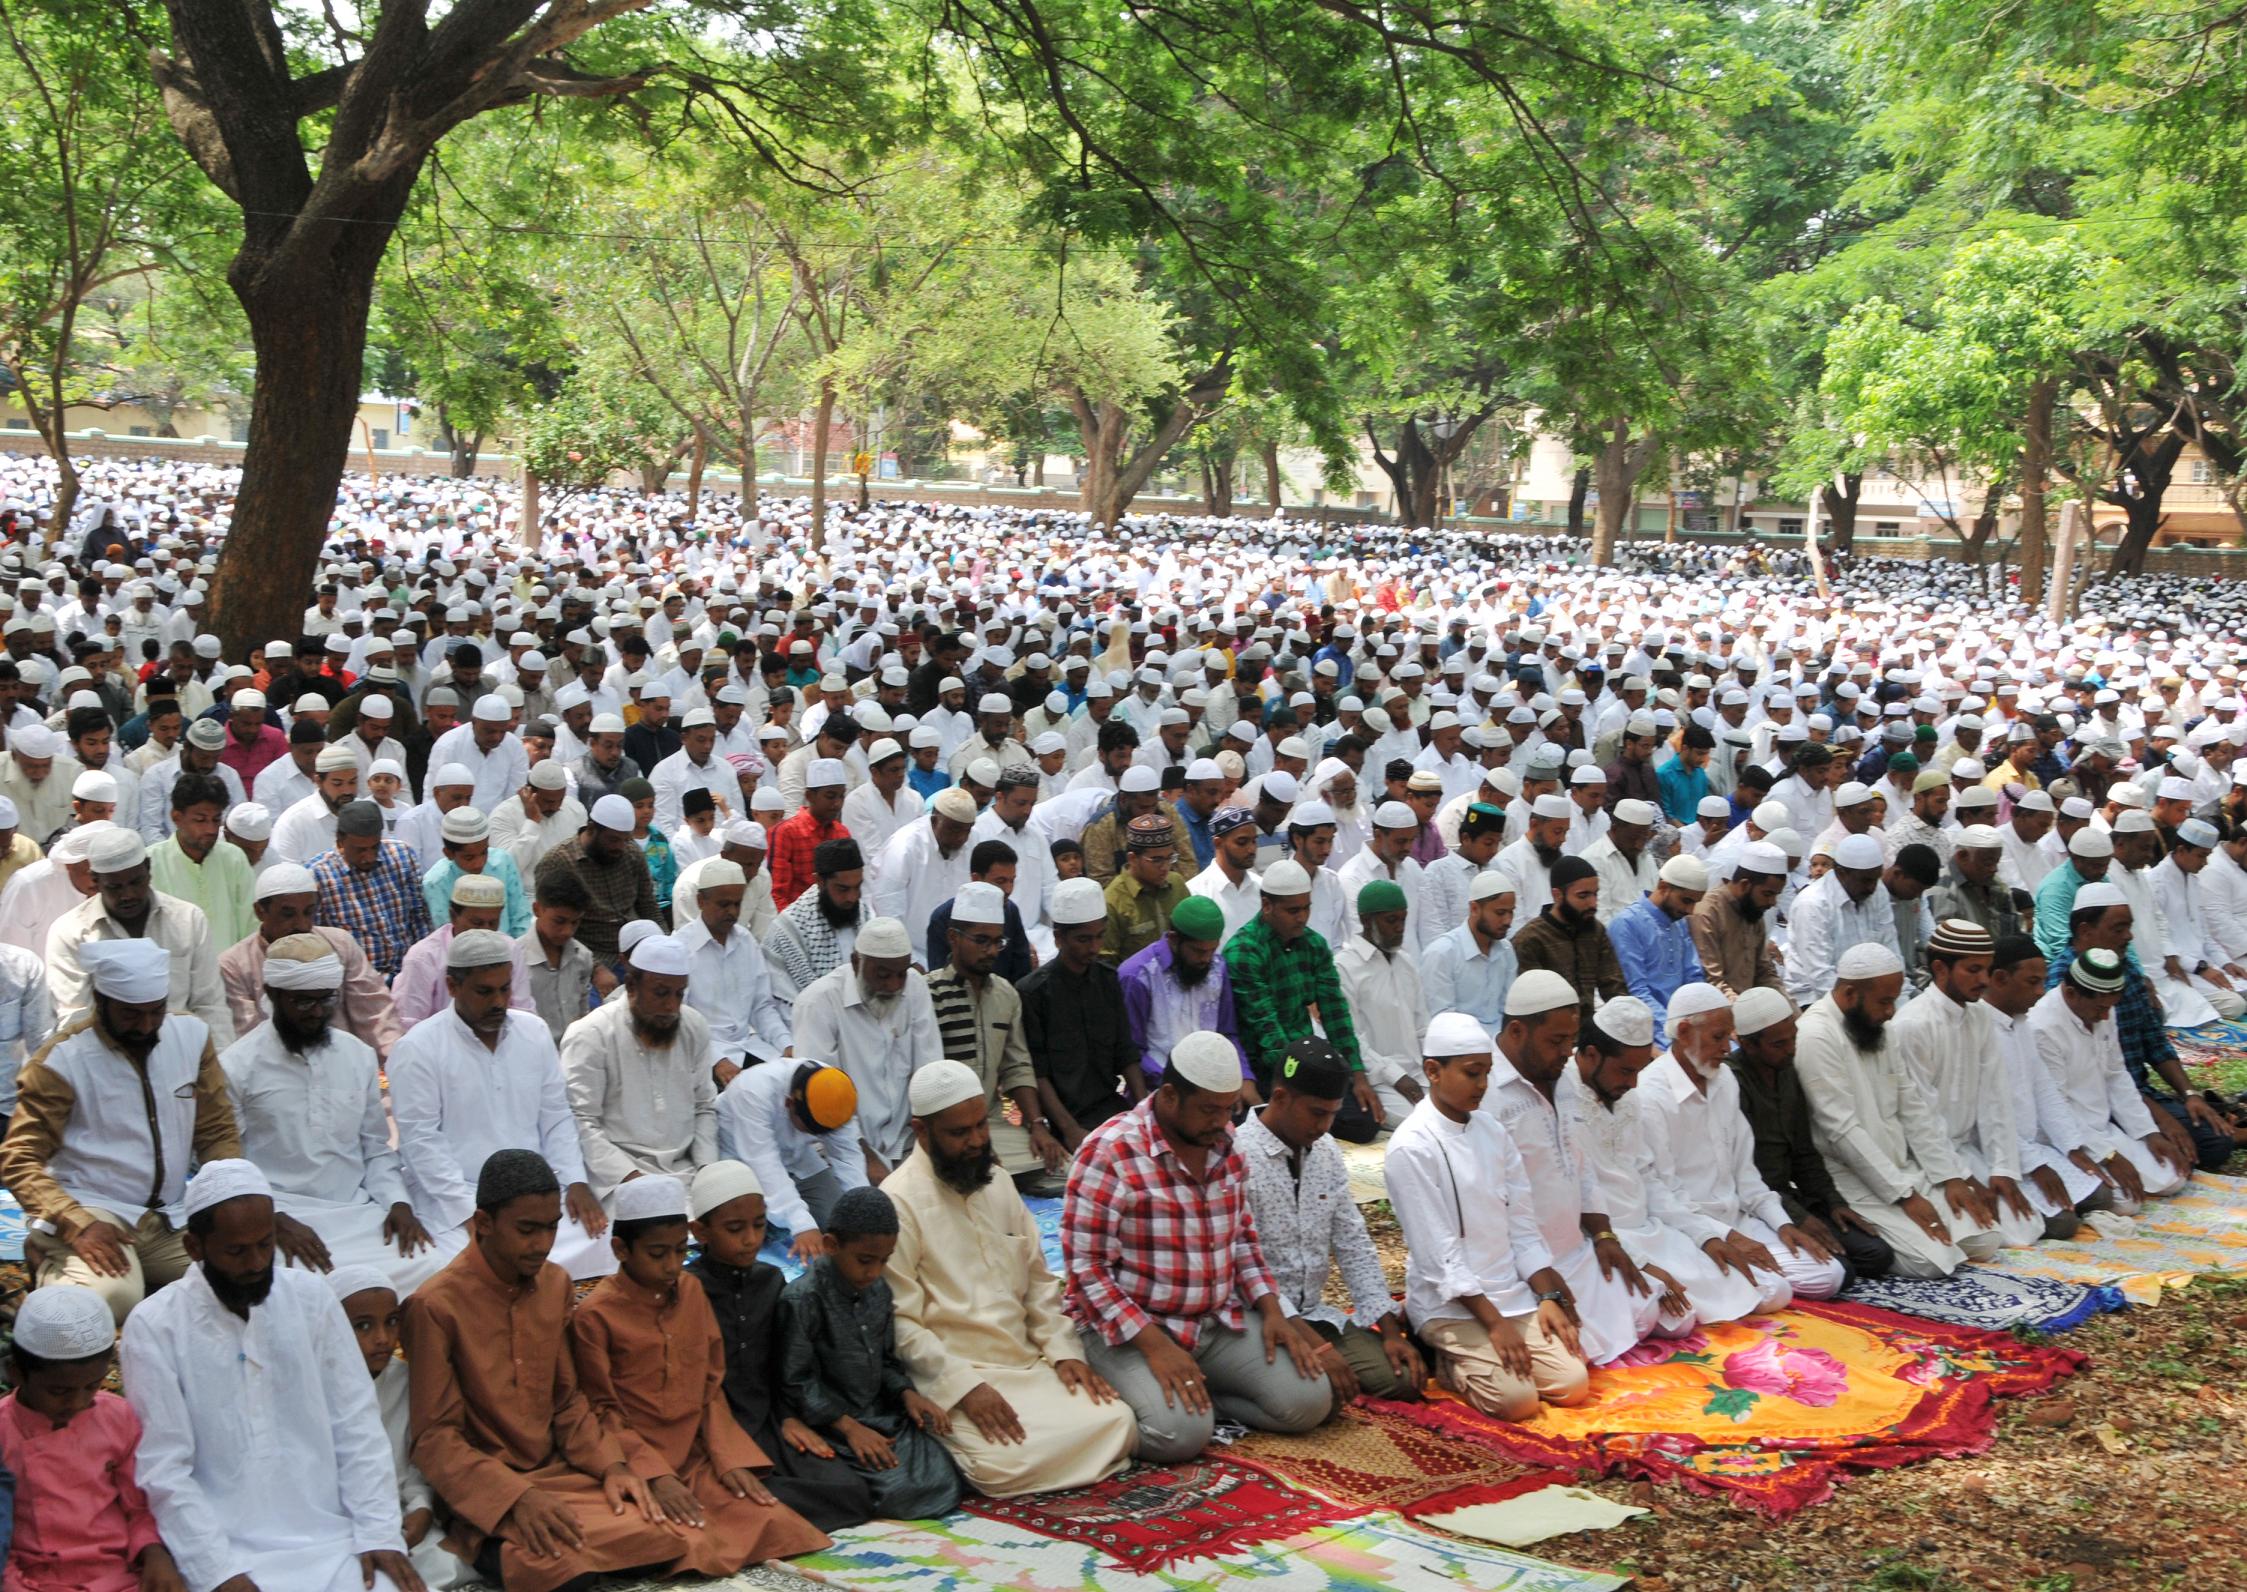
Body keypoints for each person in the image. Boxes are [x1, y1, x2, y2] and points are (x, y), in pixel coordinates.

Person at [118, 1160, 421, 1592]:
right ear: (194, 1246)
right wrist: (216, 1570)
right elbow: (164, 1470)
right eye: (237, 1251)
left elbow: (356, 1426)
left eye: (266, 1244)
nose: (257, 1263)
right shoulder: (154, 1326)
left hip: (332, 1539)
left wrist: (378, 1532)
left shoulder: (312, 1299)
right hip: (221, 1549)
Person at [400, 1150, 681, 1592]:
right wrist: (514, 1500)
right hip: (487, 1487)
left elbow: (567, 1400)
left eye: (551, 1227)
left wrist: (611, 1467)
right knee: (558, 1567)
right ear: (483, 1223)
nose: (542, 1244)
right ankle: (497, 1543)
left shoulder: (555, 1285)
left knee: (661, 1536)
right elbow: (434, 1438)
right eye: (527, 1230)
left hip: (557, 1475)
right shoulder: (434, 1306)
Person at [1060, 1029, 1337, 1462]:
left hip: (1212, 1324)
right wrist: (1156, 1347)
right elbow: (1086, 1271)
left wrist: (1271, 1311)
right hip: (1129, 1331)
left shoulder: (1226, 1146)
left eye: (1229, 1109)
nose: (1221, 1121)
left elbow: (1242, 1239)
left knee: (1310, 1399)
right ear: (1169, 1096)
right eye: (1210, 1109)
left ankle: (1204, 1401)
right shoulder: (1109, 1152)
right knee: (1178, 1437)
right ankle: (1166, 1405)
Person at [885, 1060, 1138, 1496]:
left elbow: (1040, 1283)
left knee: (1119, 1421)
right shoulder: (896, 1203)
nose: (977, 1141)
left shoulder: (997, 1182)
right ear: (922, 1132)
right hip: (962, 1374)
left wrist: (1064, 1353)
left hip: (1026, 1363)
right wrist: (965, 1388)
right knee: (1000, 1463)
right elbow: (902, 1324)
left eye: (981, 1125)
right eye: (959, 1133)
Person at [566, 1175, 832, 1571]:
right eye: (658, 1254)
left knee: (774, 1521)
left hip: (696, 1454)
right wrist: (655, 1474)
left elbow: (710, 1386)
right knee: (675, 1537)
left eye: (678, 1251)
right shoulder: (596, 1315)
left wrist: (728, 1459)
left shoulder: (691, 1291)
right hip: (635, 1454)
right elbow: (601, 1409)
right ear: (621, 1249)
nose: (673, 1266)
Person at [3, 937, 240, 1323]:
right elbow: (20, 1159)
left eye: (156, 1011)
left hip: (172, 1214)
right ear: (101, 1001)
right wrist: (75, 1224)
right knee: (109, 1298)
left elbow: (216, 1132)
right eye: (131, 1014)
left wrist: (230, 1199)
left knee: (243, 1277)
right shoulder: (62, 1060)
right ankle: (51, 1254)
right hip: (94, 1209)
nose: (145, 1026)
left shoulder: (192, 1037)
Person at [1385, 1009, 1589, 1418]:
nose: (1482, 1085)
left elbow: (1522, 1225)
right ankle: (1447, 1363)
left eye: (1487, 1073)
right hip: (1451, 1304)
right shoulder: (1412, 1147)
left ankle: (1487, 1354)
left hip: (1508, 1293)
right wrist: (1495, 1325)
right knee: (1517, 1400)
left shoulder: (1493, 1131)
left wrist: (1545, 1293)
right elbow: (1439, 1256)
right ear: (1433, 1071)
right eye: (1472, 1073)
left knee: (1573, 1384)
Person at [219, 932, 444, 1294]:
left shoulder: (357, 1055)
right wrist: (273, 1221)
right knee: (285, 1283)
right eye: (303, 1003)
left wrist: (399, 1204)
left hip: (355, 1211)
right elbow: (231, 1168)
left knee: (432, 1265)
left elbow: (375, 1149)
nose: (317, 1013)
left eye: (326, 1001)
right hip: (281, 1215)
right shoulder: (237, 1066)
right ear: (274, 996)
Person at [387, 929, 615, 1281]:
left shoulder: (533, 1032)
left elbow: (555, 1116)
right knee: (448, 1268)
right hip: (461, 1196)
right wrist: (469, 1216)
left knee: (600, 1240)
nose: (498, 1002)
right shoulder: (417, 1049)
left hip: (534, 1192)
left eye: (505, 989)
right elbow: (421, 1143)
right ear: (452, 986)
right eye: (484, 991)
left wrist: (575, 1181)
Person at [686, 1160, 878, 1531]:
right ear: (701, 1231)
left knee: (852, 1492)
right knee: (727, 1486)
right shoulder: (688, 1290)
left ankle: (753, 1509)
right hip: (711, 1431)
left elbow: (781, 1363)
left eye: (759, 1224)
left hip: (767, 1422)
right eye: (735, 1228)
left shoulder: (770, 1280)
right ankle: (746, 1507)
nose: (751, 1239)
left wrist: (789, 1416)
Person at [1792, 943, 2004, 1278]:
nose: (1892, 1012)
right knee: (1933, 1263)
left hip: (1901, 1167)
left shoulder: (1879, 1028)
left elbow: (1912, 1108)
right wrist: (1905, 1196)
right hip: (1852, 1180)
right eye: (1885, 1002)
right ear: (1850, 993)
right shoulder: (1815, 1035)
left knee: (1986, 1238)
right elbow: (1842, 1131)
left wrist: (1949, 1176)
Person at [1234, 1038, 1427, 1399]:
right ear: (1279, 1098)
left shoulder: (1325, 1152)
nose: (1326, 1125)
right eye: (1317, 1113)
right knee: (1313, 1392)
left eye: (1333, 1114)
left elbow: (1353, 1243)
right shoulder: (1238, 1156)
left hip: (1314, 1314)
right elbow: (1243, 1270)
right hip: (1261, 1317)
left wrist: (1388, 1332)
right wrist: (1317, 1349)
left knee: (1400, 1378)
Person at [1485, 970, 1661, 1363]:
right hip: (1522, 1265)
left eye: (1571, 1040)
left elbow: (1578, 1164)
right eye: (1556, 1041)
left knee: (1650, 1310)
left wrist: (1603, 1236)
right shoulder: (1488, 1092)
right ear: (1517, 1032)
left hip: (1574, 1251)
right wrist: (1537, 1273)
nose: (1568, 1051)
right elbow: (1492, 1204)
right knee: (1574, 1355)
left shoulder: (1561, 1079)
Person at [1637, 985, 1851, 1301]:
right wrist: (1724, 1236)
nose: (1727, 1048)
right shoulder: (1650, 1095)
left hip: (1740, 1220)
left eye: (1729, 1037)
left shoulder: (1724, 1080)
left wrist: (1781, 1223)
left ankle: (1739, 1284)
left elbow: (1746, 1175)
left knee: (1829, 1275)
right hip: (1691, 1232)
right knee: (1772, 1290)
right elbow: (1664, 1197)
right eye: (1718, 1037)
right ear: (1684, 1032)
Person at [778, 1186, 964, 1519]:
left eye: (883, 1261)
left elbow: (886, 1361)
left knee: (946, 1472)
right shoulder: (803, 1299)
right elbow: (797, 1382)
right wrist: (848, 1427)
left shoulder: (878, 1290)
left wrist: (907, 1393)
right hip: (830, 1424)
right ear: (832, 1246)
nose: (874, 1272)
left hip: (879, 1415)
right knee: (892, 1490)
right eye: (865, 1260)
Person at [0, 1283, 178, 1592]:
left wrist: (154, 1554)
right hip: (33, 1581)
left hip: (120, 1575)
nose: (78, 1403)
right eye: (59, 1392)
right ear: (16, 1373)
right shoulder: (4, 1430)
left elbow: (138, 1507)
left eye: (91, 1387)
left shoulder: (118, 1418)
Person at [1889, 919, 2053, 1246]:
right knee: (1983, 1241)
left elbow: (1995, 1098)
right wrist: (1958, 1178)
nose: (1984, 980)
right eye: (1973, 970)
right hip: (1923, 1158)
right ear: (1941, 969)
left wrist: (2003, 1169)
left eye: (1987, 970)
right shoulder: (1912, 1024)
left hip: (1964, 1148)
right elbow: (1918, 1118)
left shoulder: (1979, 1015)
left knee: (2028, 1229)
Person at [326, 1264, 475, 1592]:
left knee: (450, 1562)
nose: (382, 1339)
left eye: (391, 1322)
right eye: (362, 1326)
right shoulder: (314, 1390)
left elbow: (415, 1462)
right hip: (336, 1526)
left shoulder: (405, 1379)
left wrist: (421, 1507)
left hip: (399, 1516)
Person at [1225, 858, 1383, 1140]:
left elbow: (1336, 1015)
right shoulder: (1244, 950)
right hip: (1264, 1066)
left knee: (1365, 1120)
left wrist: (1356, 1074)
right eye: (1293, 910)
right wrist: (1306, 1087)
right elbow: (1266, 1028)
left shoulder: (1314, 945)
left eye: (1306, 908)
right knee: (1250, 1123)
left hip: (1307, 1056)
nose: (1302, 917)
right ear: (1267, 906)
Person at [2027, 947, 2195, 1212]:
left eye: (2110, 1008)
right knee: (2126, 1202)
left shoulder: (2103, 1009)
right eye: (2101, 1008)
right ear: (2071, 994)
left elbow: (2117, 1075)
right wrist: (2108, 1155)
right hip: (2063, 1137)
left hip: (2101, 1126)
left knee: (2173, 1176)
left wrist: (2148, 1132)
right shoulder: (2042, 1027)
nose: (2106, 1016)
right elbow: (2055, 1109)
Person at [561, 932, 720, 1203]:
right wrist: (633, 1179)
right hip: (617, 1177)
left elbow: (704, 1106)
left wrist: (707, 1170)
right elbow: (580, 1120)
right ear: (632, 985)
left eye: (678, 994)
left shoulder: (693, 1026)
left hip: (687, 1171)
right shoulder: (591, 1034)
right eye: (660, 993)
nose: (671, 1006)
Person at [1981, 935, 2121, 1232]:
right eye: (2032, 982)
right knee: (2062, 1224)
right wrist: (2034, 1164)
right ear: (2000, 979)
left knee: (2103, 1196)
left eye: (2042, 981)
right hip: (1992, 1154)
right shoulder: (1980, 1028)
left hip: (2030, 1147)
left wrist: (2072, 1148)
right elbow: (1988, 1118)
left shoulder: (2020, 1023)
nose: (2040, 991)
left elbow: (2044, 1089)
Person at [925, 881, 1066, 1176]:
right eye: (981, 941)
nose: (991, 951)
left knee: (1061, 1165)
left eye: (997, 942)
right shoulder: (928, 992)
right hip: (943, 1127)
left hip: (990, 1123)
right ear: (953, 937)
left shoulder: (1006, 995)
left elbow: (1017, 1066)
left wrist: (1037, 1126)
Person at [47, 827, 231, 1041]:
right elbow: (76, 1019)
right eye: (115, 887)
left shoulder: (189, 920)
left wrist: (216, 1066)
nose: (128, 895)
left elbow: (210, 1005)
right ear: (95, 881)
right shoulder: (69, 932)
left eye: (135, 882)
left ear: (148, 869)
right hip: (107, 1060)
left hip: (183, 1054)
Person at [789, 915, 939, 1170]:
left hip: (908, 1142)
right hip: (844, 1148)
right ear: (856, 962)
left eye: (900, 974)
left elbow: (930, 1071)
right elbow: (821, 1103)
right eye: (882, 975)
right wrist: (867, 1159)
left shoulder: (914, 987)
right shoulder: (818, 1003)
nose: (893, 985)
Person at [221, 861, 407, 1060]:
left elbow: (377, 1016)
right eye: (288, 914)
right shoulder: (235, 965)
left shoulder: (340, 944)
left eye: (309, 912)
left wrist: (398, 1061)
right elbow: (249, 1038)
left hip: (345, 1065)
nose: (301, 924)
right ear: (260, 911)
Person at [1023, 874, 1146, 1145]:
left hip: (1109, 1110)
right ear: (1058, 938)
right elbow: (1037, 1073)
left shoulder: (1108, 980)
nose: (1094, 948)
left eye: (1099, 937)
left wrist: (1143, 1112)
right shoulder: (1033, 993)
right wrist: (1070, 1130)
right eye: (1083, 939)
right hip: (1062, 1121)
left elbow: (1126, 1053)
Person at [715, 1061, 871, 1259]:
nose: (817, 1136)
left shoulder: (837, 1090)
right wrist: (802, 1226)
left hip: (798, 1157)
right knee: (745, 1236)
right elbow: (764, 1164)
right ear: (789, 1104)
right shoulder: (752, 1091)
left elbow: (848, 1158)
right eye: (810, 1130)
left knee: (843, 1223)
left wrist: (864, 1210)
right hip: (741, 1157)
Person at [1334, 877, 1431, 1122]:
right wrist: (1396, 1076)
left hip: (1420, 1075)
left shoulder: (1406, 963)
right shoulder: (1345, 967)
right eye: (1391, 920)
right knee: (1419, 1124)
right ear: (1367, 921)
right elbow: (1351, 1039)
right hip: (1379, 1081)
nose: (1400, 928)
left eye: (1403, 919)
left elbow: (1422, 1028)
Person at [313, 799, 435, 982]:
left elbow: (419, 918)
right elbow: (319, 945)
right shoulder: (319, 876)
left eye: (375, 847)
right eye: (360, 850)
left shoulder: (402, 856)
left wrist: (423, 969)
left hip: (409, 975)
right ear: (340, 840)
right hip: (357, 984)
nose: (368, 857)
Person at [532, 794, 658, 963]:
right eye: (613, 840)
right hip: (589, 957)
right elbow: (554, 929)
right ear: (592, 829)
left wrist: (662, 942)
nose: (620, 847)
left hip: (636, 951)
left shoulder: (632, 852)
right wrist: (596, 969)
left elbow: (648, 906)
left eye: (625, 840)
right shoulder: (558, 862)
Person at [147, 769, 255, 950]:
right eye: (200, 820)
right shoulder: (151, 863)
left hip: (230, 972)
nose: (211, 829)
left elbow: (250, 924)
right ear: (176, 818)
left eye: (216, 819)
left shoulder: (234, 858)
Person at [1509, 855, 1626, 1024]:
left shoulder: (1595, 931)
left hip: (1590, 1031)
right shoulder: (1529, 940)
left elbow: (1614, 988)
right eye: (1583, 896)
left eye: (1595, 894)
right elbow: (1535, 1008)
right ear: (1557, 895)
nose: (1593, 904)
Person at [763, 836, 867, 1007]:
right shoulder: (789, 929)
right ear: (819, 881)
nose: (852, 897)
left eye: (858, 887)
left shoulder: (865, 913)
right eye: (843, 889)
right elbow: (790, 1004)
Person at [1420, 870, 1518, 1039]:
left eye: (1511, 912)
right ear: (1474, 909)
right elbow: (1443, 1023)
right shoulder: (1442, 954)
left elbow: (1508, 1009)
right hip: (1460, 1049)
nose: (1508, 921)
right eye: (1500, 913)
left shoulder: (1506, 950)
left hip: (1501, 1046)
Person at [1689, 840, 1787, 999]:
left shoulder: (1753, 912)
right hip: (1719, 1011)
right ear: (1745, 885)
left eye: (1776, 895)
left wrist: (1792, 1014)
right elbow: (1712, 980)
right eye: (1768, 894)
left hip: (1748, 1008)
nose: (1773, 902)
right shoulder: (1708, 912)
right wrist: (1744, 1014)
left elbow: (1765, 973)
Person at [1100, 811, 1194, 963]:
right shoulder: (1112, 901)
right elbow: (1107, 962)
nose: (1165, 867)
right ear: (1132, 858)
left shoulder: (1177, 884)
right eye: (1156, 860)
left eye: (1170, 858)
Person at [522, 868, 600, 1045]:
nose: (567, 931)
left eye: (575, 922)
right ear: (537, 909)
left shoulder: (583, 958)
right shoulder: (516, 960)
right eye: (559, 921)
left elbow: (582, 1013)